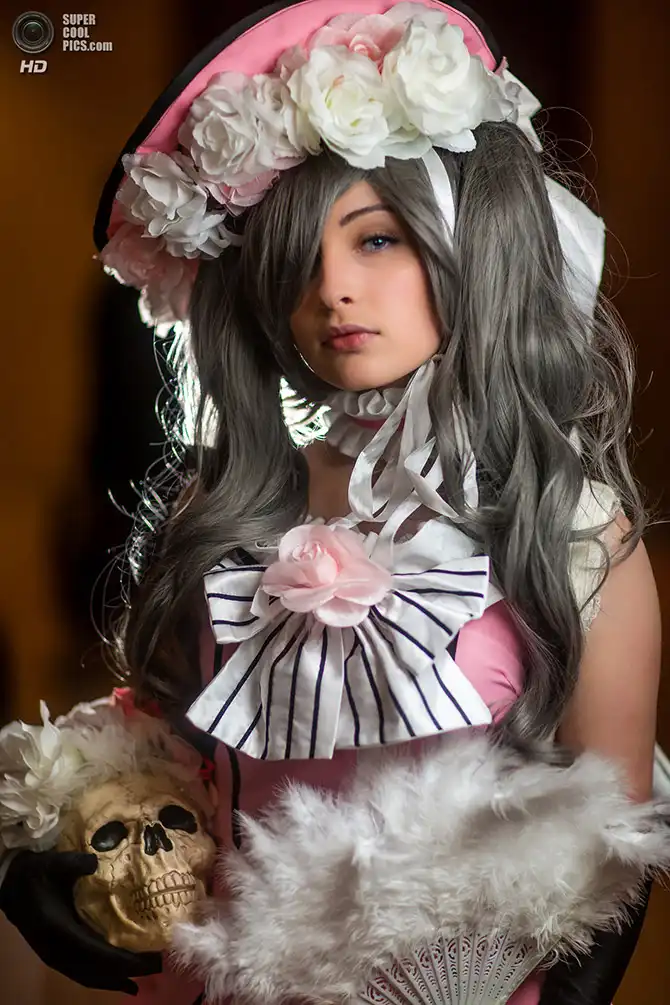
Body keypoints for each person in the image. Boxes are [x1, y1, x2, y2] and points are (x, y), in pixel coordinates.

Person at [0, 1, 662, 1003]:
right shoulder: (227, 505)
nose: (332, 289)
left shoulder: (572, 528)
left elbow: (611, 856)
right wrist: (49, 840)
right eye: (295, 257)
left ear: (467, 241)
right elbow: (168, 758)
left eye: (377, 240)